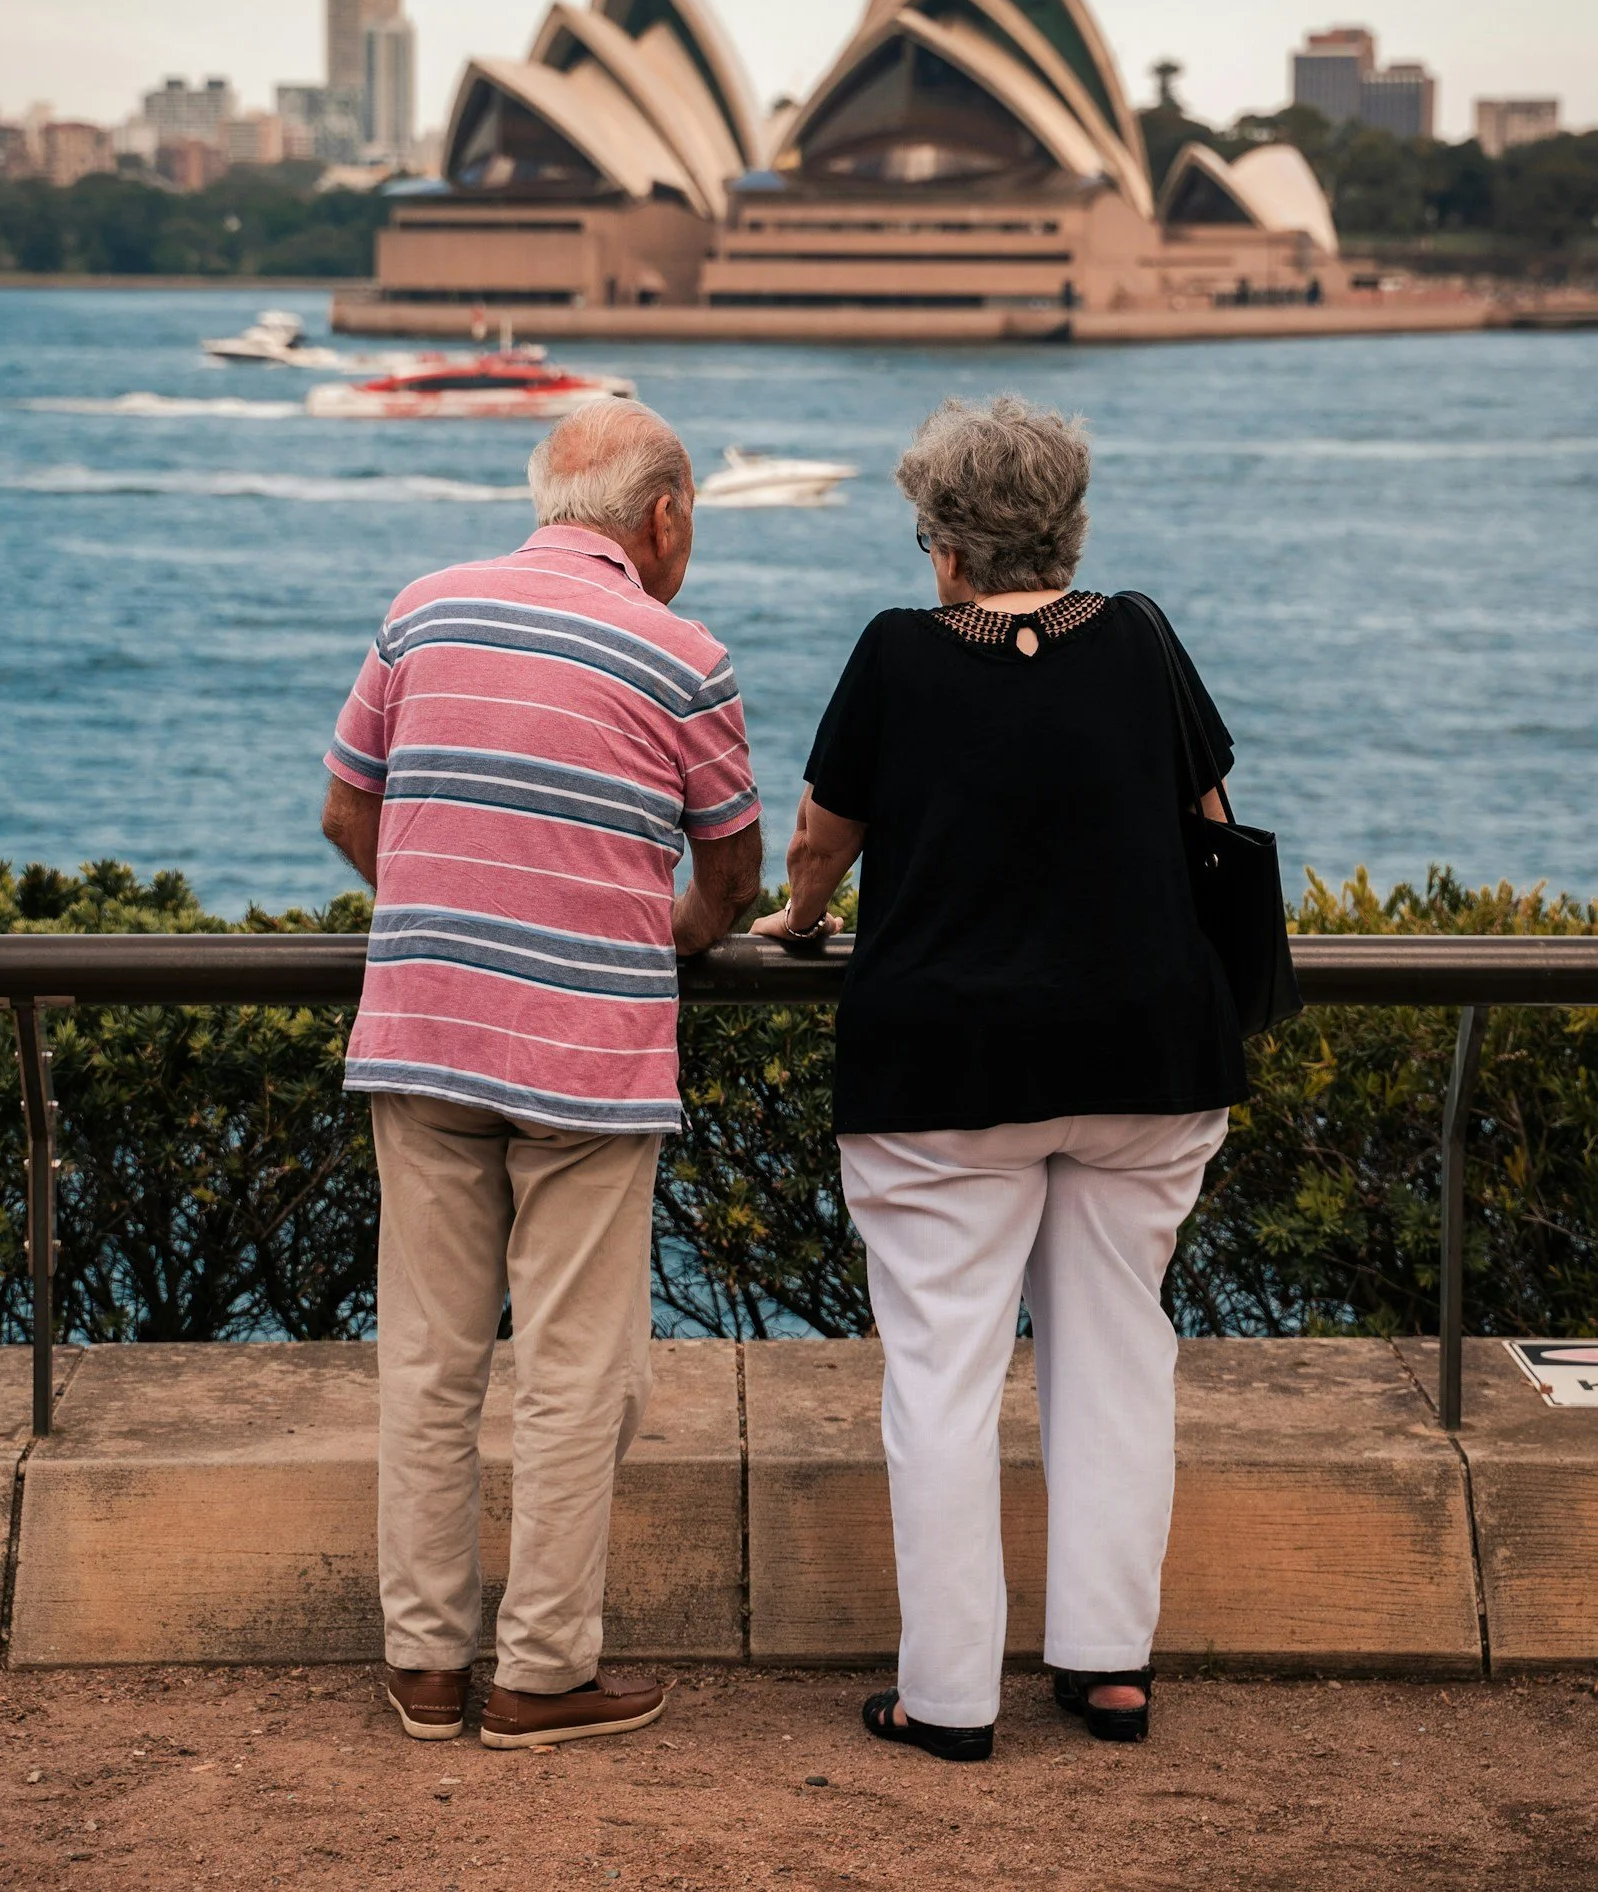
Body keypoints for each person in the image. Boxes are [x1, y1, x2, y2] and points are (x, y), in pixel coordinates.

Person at [752, 395, 1244, 1764]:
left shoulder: (900, 658)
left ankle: (950, 1695)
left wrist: (797, 925)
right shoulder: (1138, 637)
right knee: (1116, 1357)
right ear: (1066, 529)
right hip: (1145, 1054)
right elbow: (1212, 827)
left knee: (942, 1375)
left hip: (945, 1070)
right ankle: (1105, 1665)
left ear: (946, 548)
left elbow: (817, 839)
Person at [321, 399, 761, 1751]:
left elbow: (347, 806)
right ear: (664, 515)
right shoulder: (684, 656)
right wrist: (654, 938)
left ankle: (424, 1665)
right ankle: (542, 1674)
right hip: (587, 1054)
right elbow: (731, 879)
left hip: (422, 1029)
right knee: (576, 1371)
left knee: (430, 1360)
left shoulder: (424, 608)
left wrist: (444, 921)